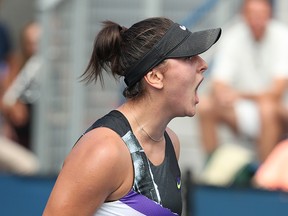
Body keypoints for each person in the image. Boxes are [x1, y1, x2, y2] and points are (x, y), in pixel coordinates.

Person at [43, 17, 221, 215]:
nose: (203, 64)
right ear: (154, 77)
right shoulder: (104, 150)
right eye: (188, 57)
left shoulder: (171, 142)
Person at [197, 0, 288, 163]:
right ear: (243, 15)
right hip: (243, 109)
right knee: (205, 105)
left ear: (269, 15)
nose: (257, 20)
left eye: (261, 14)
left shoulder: (282, 36)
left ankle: (263, 179)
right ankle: (213, 167)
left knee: (267, 109)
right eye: (252, 14)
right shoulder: (233, 36)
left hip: (276, 111)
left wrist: (237, 94)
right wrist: (223, 94)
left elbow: (276, 92)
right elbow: (219, 81)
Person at [1, 21, 41, 150]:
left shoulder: (55, 68)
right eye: (30, 43)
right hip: (19, 138)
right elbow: (6, 100)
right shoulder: (16, 65)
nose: (34, 48)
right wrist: (13, 107)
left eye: (38, 43)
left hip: (42, 136)